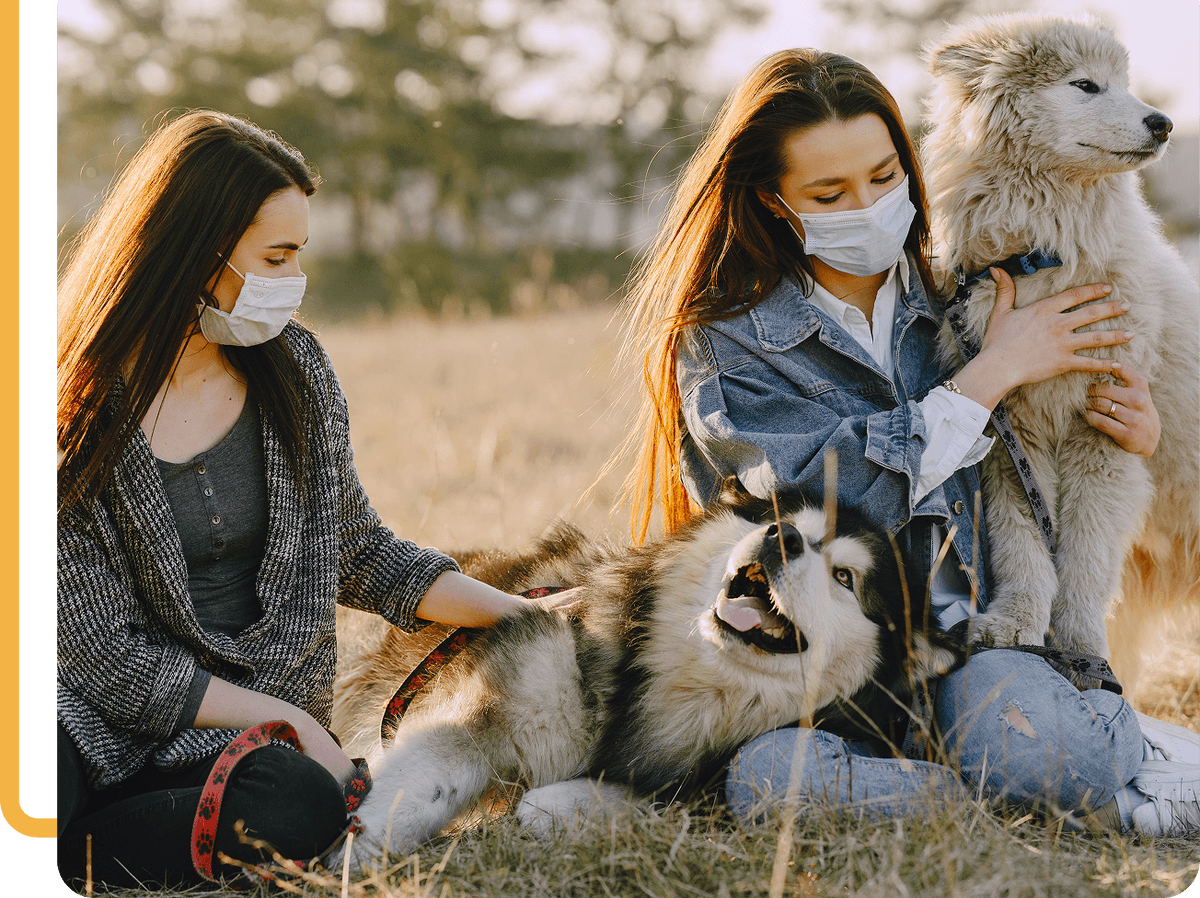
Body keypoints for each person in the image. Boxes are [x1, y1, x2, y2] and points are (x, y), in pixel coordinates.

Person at [617, 49, 1199, 837]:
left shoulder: (963, 277)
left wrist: (1139, 427)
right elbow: (816, 498)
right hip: (824, 661)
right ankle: (1042, 790)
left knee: (1054, 757)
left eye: (886, 178)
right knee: (770, 781)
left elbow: (1048, 458)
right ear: (774, 201)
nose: (867, 205)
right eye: (830, 193)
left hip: (971, 643)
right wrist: (986, 378)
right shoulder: (726, 342)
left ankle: (1055, 758)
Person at [55, 110, 548, 889]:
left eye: (298, 257)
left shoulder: (295, 372)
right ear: (194, 252)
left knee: (295, 805)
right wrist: (283, 720)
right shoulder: (65, 409)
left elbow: (361, 552)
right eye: (275, 257)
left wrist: (527, 612)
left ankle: (76, 853)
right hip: (90, 722)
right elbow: (104, 661)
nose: (293, 283)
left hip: (243, 747)